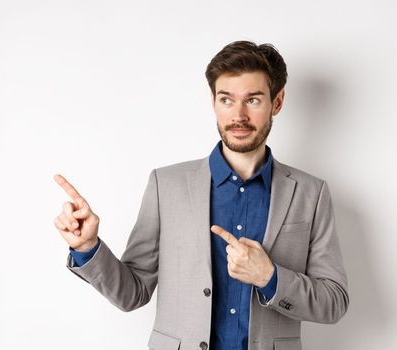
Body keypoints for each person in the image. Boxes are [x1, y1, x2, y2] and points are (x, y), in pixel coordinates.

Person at [52, 40, 349, 350]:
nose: (239, 115)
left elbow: (334, 301)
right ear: (213, 101)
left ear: (277, 102)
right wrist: (87, 247)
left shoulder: (311, 193)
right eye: (227, 99)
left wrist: (269, 277)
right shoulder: (165, 185)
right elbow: (132, 293)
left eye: (254, 100)